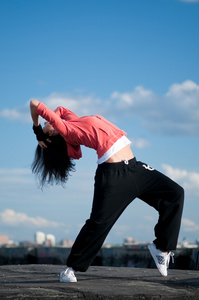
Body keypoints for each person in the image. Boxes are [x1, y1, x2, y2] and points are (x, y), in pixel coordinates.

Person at [30, 99, 184, 282]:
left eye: (48, 122)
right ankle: (70, 269)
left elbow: (61, 110)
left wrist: (45, 127)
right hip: (113, 175)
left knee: (175, 193)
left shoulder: (71, 122)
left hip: (135, 168)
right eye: (48, 125)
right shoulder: (66, 130)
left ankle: (162, 248)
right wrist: (37, 130)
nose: (48, 122)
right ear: (51, 135)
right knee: (99, 223)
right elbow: (34, 104)